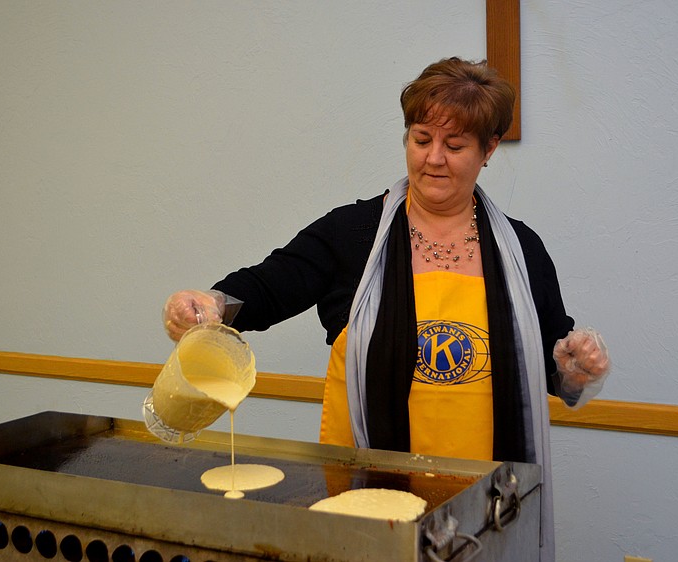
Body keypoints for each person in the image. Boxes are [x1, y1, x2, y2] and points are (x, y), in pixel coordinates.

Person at [162, 57, 610, 561]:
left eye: (455, 145)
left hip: (485, 503)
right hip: (371, 497)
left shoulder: (521, 250)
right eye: (421, 139)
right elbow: (266, 288)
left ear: (488, 151)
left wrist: (573, 367)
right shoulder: (353, 235)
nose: (433, 158)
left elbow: (555, 365)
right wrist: (210, 304)